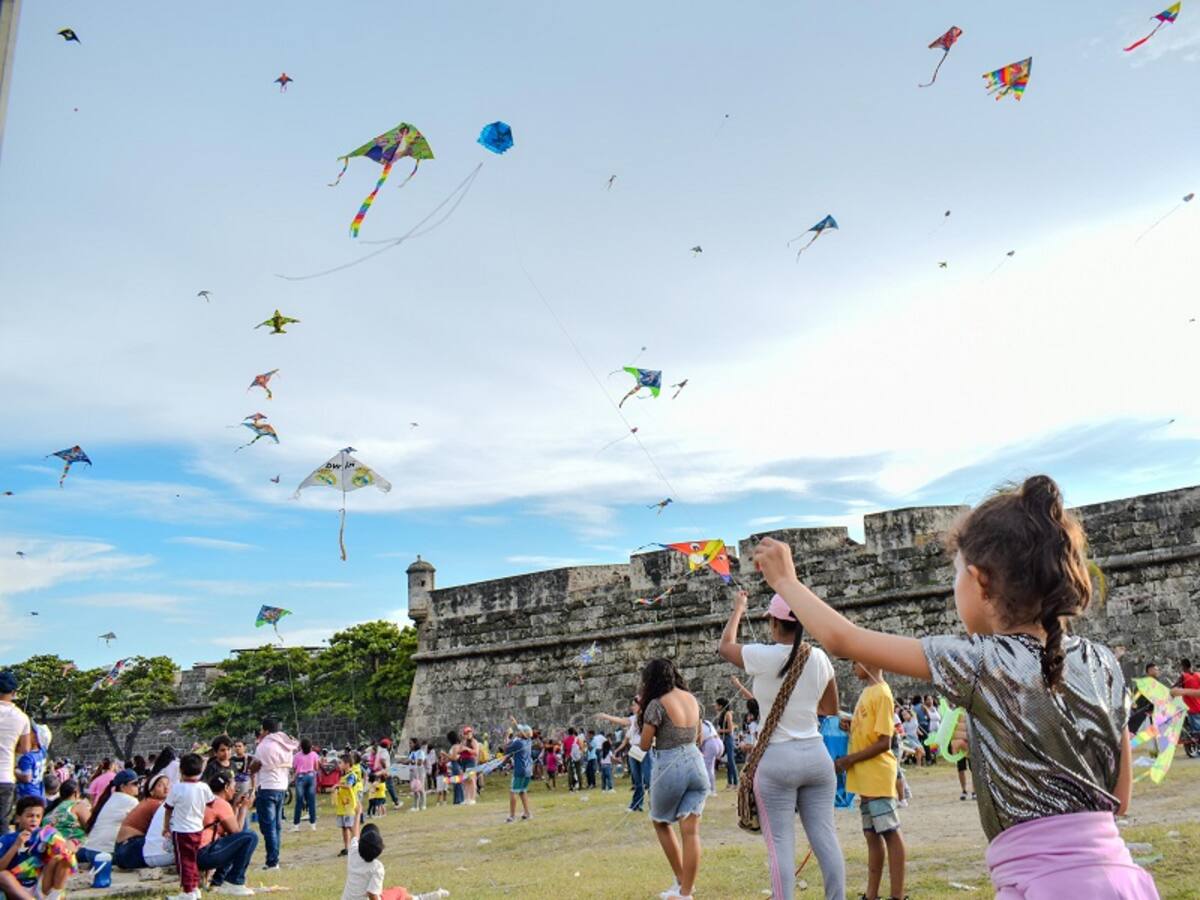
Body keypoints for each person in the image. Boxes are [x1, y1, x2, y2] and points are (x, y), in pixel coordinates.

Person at [754, 473, 1159, 899]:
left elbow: (845, 641)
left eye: (956, 577)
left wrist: (786, 583)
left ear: (980, 581)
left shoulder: (981, 658)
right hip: (1121, 879)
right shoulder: (1103, 663)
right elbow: (1119, 799)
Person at [718, 590, 845, 900]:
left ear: (774, 622)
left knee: (780, 845)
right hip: (816, 756)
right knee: (826, 839)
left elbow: (724, 647)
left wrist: (738, 609)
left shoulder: (764, 655)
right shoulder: (817, 657)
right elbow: (830, 708)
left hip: (777, 758)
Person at [639, 658, 708, 900]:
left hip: (670, 763)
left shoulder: (657, 704)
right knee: (691, 832)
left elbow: (645, 744)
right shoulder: (692, 699)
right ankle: (686, 891)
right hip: (696, 761)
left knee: (661, 821)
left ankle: (681, 881)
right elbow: (699, 737)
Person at [838, 662, 906, 900]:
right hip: (864, 777)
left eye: (855, 662)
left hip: (877, 775)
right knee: (871, 834)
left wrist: (849, 759)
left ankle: (897, 895)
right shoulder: (868, 692)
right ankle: (871, 894)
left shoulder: (882, 693)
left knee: (890, 832)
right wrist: (851, 728)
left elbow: (885, 741)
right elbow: (869, 733)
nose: (852, 667)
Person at [162, 752, 215, 900]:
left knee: (183, 861)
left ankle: (187, 891)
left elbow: (168, 808)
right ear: (200, 770)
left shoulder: (177, 788)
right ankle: (194, 887)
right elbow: (211, 803)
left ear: (181, 770)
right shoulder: (203, 787)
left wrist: (166, 827)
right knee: (192, 859)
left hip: (181, 830)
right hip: (197, 829)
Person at [249, 717, 298, 872]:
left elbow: (255, 766)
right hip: (282, 787)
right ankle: (274, 859)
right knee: (276, 825)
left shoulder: (264, 745)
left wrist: (251, 768)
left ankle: (272, 862)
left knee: (268, 827)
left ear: (265, 730)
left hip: (267, 787)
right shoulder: (287, 744)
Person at [0, 796, 72, 900]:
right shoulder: (6, 839)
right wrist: (16, 845)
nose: (34, 819)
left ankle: (55, 895)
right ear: (18, 818)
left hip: (40, 884)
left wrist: (60, 844)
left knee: (64, 857)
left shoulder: (45, 835)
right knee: (2, 875)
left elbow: (58, 855)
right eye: (30, 816)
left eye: (38, 816)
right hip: (16, 888)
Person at [198, 773, 258, 896]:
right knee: (251, 837)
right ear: (226, 787)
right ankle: (234, 882)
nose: (235, 790)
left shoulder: (206, 800)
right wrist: (244, 808)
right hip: (204, 854)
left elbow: (230, 832)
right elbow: (237, 831)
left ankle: (217, 882)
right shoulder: (220, 803)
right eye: (233, 786)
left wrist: (236, 807)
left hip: (195, 852)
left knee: (231, 843)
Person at [79, 769, 139, 870]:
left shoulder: (111, 798)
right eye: (135, 783)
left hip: (90, 851)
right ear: (123, 787)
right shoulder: (131, 801)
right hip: (105, 854)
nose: (138, 786)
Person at [600, 698, 652, 812]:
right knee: (637, 780)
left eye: (634, 705)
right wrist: (606, 716)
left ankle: (655, 804)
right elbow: (620, 720)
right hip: (634, 751)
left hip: (644, 750)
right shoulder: (633, 719)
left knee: (649, 779)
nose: (632, 707)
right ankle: (636, 805)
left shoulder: (648, 719)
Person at [112, 771, 172, 869]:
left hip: (120, 849)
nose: (166, 788)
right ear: (151, 791)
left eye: (168, 784)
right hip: (130, 847)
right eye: (160, 785)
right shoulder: (156, 805)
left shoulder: (146, 801)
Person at [0, 671, 32, 837]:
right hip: (5, 777)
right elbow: (26, 748)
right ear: (14, 692)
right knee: (2, 822)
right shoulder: (22, 717)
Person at [14, 724, 50, 805]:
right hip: (39, 792)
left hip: (27, 795)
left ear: (36, 739)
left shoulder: (27, 757)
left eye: (31, 732)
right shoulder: (43, 752)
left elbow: (27, 777)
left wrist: (14, 770)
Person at [333, 755, 361, 857]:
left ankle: (358, 845)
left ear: (347, 764)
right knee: (344, 827)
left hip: (349, 806)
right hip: (342, 807)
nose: (339, 765)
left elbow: (349, 786)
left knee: (350, 826)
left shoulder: (351, 775)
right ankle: (347, 848)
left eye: (341, 763)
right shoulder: (342, 776)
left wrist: (338, 785)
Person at [291, 737, 320, 832]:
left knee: (299, 802)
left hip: (300, 777)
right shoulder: (314, 754)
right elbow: (316, 767)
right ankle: (313, 824)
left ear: (301, 747)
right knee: (311, 802)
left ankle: (296, 825)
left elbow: (294, 768)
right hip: (311, 776)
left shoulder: (297, 755)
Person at [715, 697, 738, 788]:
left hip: (728, 739)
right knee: (727, 761)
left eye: (716, 705)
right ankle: (729, 783)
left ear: (721, 705)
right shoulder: (722, 714)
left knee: (731, 760)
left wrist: (720, 731)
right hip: (723, 739)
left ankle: (735, 782)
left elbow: (730, 729)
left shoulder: (728, 714)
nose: (715, 706)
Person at [1175, 659, 1200, 734]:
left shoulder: (1183, 677)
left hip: (1191, 709)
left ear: (1183, 667)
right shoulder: (1198, 675)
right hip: (1199, 706)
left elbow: (1174, 688)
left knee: (1196, 734)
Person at [407, 739, 427, 812]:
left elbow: (420, 762)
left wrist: (411, 761)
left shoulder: (420, 752)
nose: (409, 745)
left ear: (415, 743)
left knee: (421, 788)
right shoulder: (412, 752)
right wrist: (402, 761)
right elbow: (408, 761)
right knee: (414, 789)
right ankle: (415, 806)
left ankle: (423, 805)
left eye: (411, 743)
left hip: (419, 771)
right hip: (412, 772)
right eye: (409, 743)